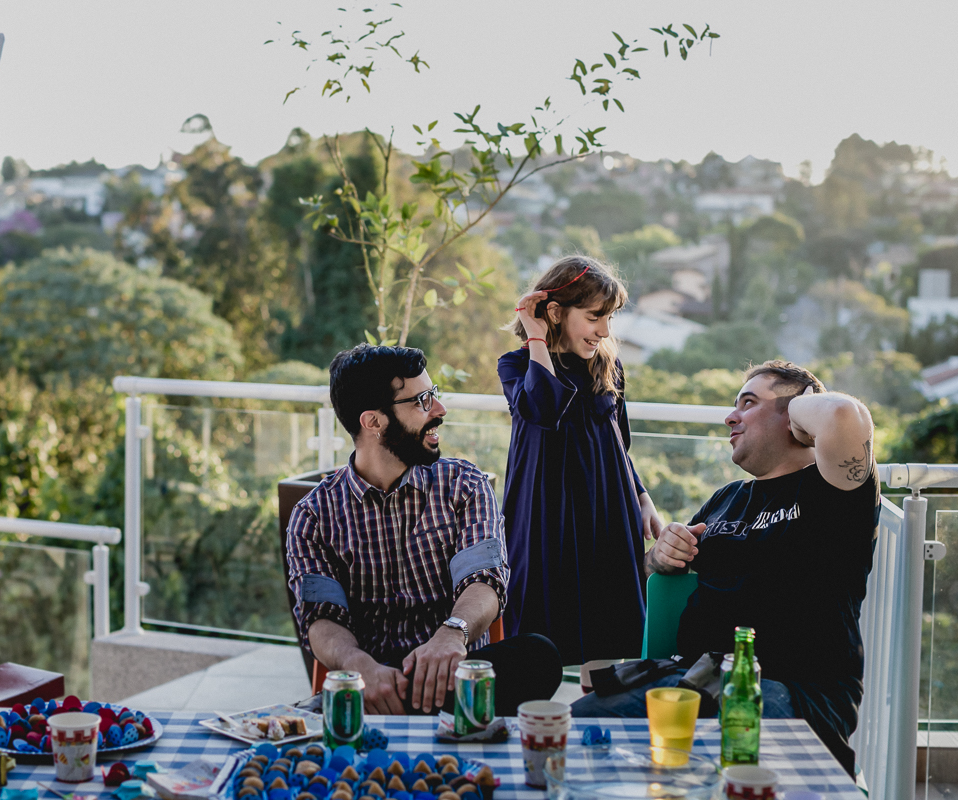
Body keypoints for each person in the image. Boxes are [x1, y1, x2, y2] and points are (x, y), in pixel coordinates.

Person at [571, 360, 879, 778]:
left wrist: (800, 406)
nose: (730, 417)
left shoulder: (835, 491)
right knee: (572, 736)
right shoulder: (725, 500)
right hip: (689, 679)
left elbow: (843, 415)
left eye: (748, 403)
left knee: (715, 771)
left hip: (790, 691)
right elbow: (643, 582)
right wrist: (658, 558)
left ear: (797, 417)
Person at [285, 343, 563, 716]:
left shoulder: (464, 485)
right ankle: (423, 713)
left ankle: (390, 713)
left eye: (433, 394)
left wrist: (453, 633)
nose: (440, 409)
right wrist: (359, 666)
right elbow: (321, 617)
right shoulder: (313, 515)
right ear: (374, 422)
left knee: (538, 656)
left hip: (456, 675)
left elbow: (485, 581)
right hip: (374, 681)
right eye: (422, 401)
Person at [498, 255, 664, 664]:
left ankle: (598, 705)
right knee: (540, 639)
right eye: (594, 317)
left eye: (609, 318)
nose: (604, 331)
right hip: (545, 517)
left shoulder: (608, 367)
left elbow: (618, 444)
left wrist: (642, 496)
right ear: (556, 312)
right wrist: (537, 337)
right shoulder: (517, 365)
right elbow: (543, 407)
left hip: (607, 510)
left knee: (607, 635)